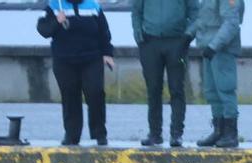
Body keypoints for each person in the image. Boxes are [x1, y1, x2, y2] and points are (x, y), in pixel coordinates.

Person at [37, 0, 115, 146]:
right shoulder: (54, 6)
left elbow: (103, 31)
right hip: (64, 60)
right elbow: (43, 30)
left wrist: (108, 53)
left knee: (95, 93)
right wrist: (56, 21)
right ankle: (72, 135)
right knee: (70, 96)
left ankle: (99, 133)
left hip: (91, 58)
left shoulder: (93, 6)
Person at [132, 0, 198, 147]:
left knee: (177, 89)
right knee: (153, 89)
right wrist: (138, 34)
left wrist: (188, 35)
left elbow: (196, 14)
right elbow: (136, 11)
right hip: (150, 42)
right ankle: (155, 133)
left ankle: (176, 134)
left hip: (177, 41)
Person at [192, 0, 244, 148]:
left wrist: (214, 45)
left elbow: (231, 23)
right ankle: (218, 131)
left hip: (222, 49)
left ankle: (230, 134)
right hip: (209, 47)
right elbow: (203, 20)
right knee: (212, 92)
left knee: (225, 90)